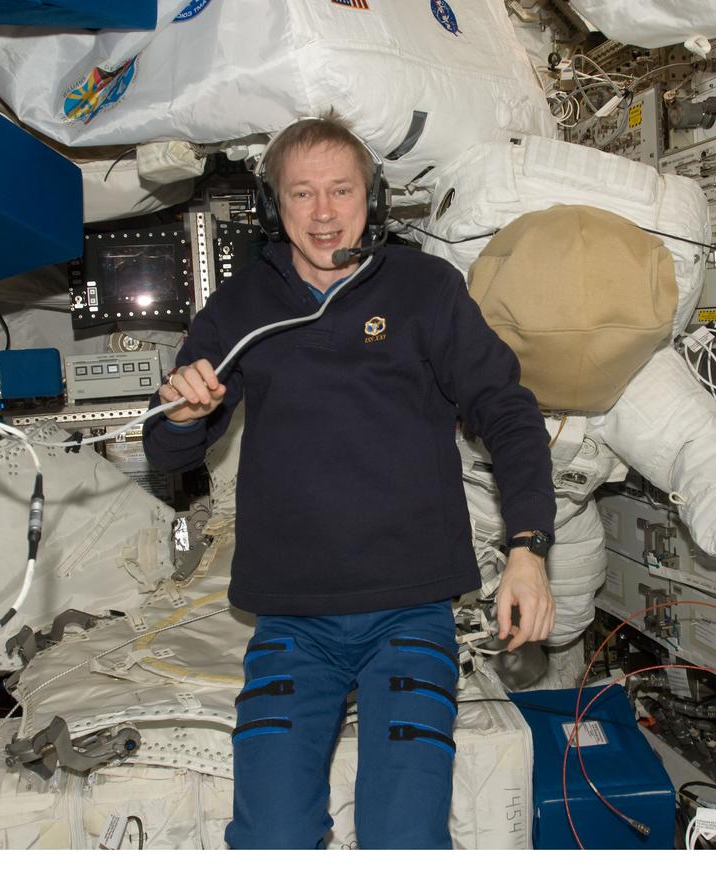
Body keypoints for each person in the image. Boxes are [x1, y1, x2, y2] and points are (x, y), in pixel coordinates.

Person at [143, 114, 556, 849]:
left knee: (404, 838)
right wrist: (182, 413)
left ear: (375, 199)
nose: (325, 213)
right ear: (274, 208)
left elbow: (508, 411)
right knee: (269, 840)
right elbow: (168, 452)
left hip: (409, 613)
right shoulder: (242, 307)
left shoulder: (425, 289)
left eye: (342, 190)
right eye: (302, 194)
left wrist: (528, 548)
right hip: (292, 620)